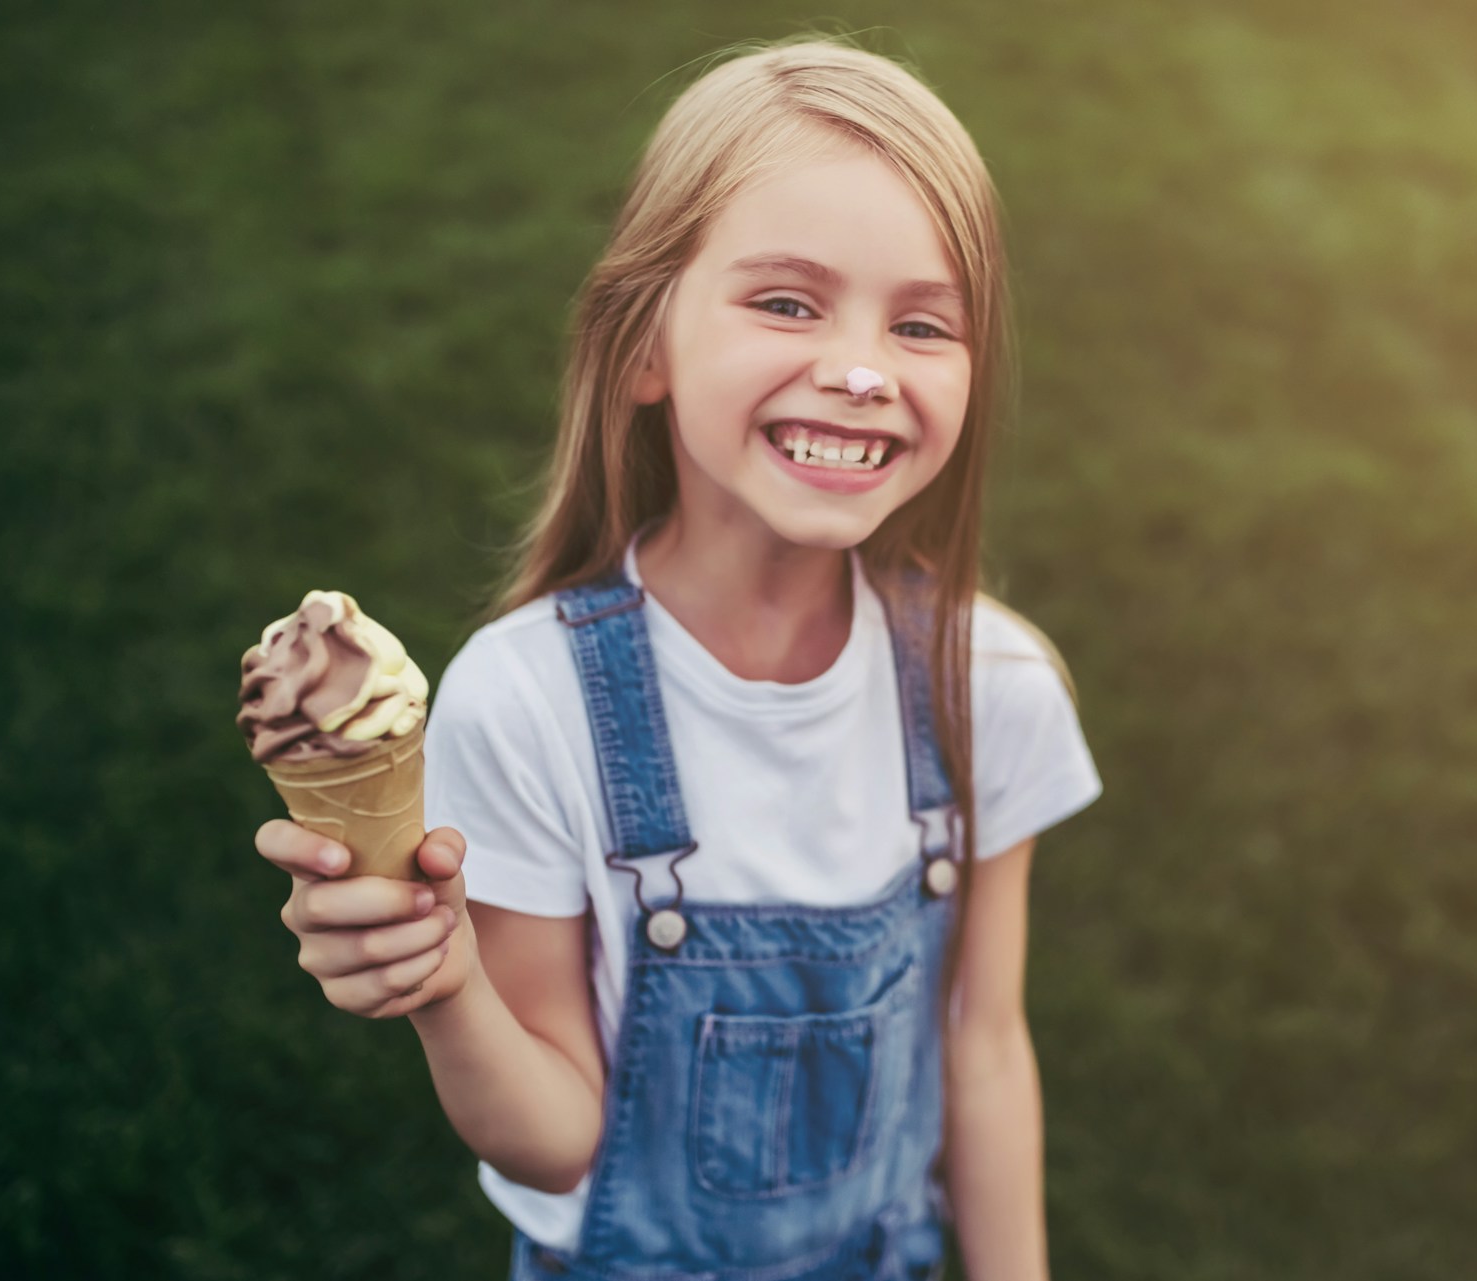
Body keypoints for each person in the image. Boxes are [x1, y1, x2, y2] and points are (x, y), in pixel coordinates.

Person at [255, 37, 1101, 1281]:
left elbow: (983, 1046)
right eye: (786, 302)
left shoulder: (994, 689)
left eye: (923, 324)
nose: (863, 371)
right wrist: (445, 983)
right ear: (643, 346)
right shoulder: (525, 702)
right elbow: (555, 1140)